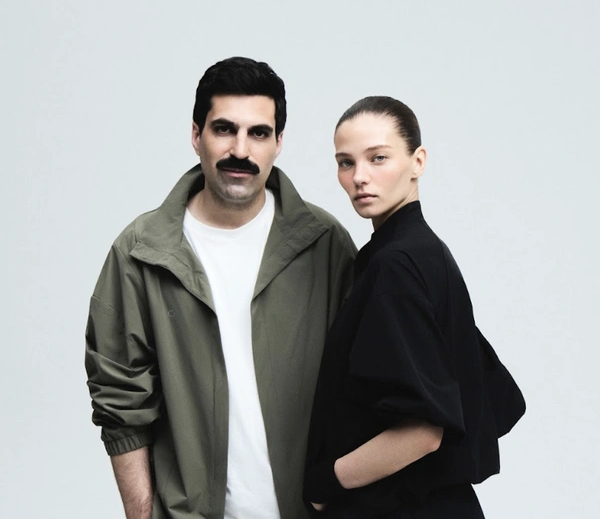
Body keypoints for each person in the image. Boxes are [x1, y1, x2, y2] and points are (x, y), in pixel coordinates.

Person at [85, 57, 356, 519]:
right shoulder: (140, 252)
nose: (240, 150)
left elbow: (364, 385)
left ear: (279, 143)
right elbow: (119, 399)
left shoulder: (325, 244)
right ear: (197, 135)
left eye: (259, 133)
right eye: (224, 129)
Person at [303, 96, 525, 518]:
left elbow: (423, 430)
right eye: (346, 162)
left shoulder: (397, 264)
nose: (359, 177)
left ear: (417, 161)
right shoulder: (421, 252)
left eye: (378, 158)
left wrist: (322, 484)